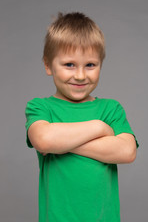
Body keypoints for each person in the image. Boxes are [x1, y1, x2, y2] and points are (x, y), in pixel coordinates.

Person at [25, 12, 139, 222]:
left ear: (100, 65)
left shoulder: (110, 109)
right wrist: (99, 128)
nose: (80, 75)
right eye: (69, 64)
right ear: (48, 65)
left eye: (90, 65)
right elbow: (44, 140)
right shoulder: (41, 107)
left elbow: (127, 151)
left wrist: (60, 142)